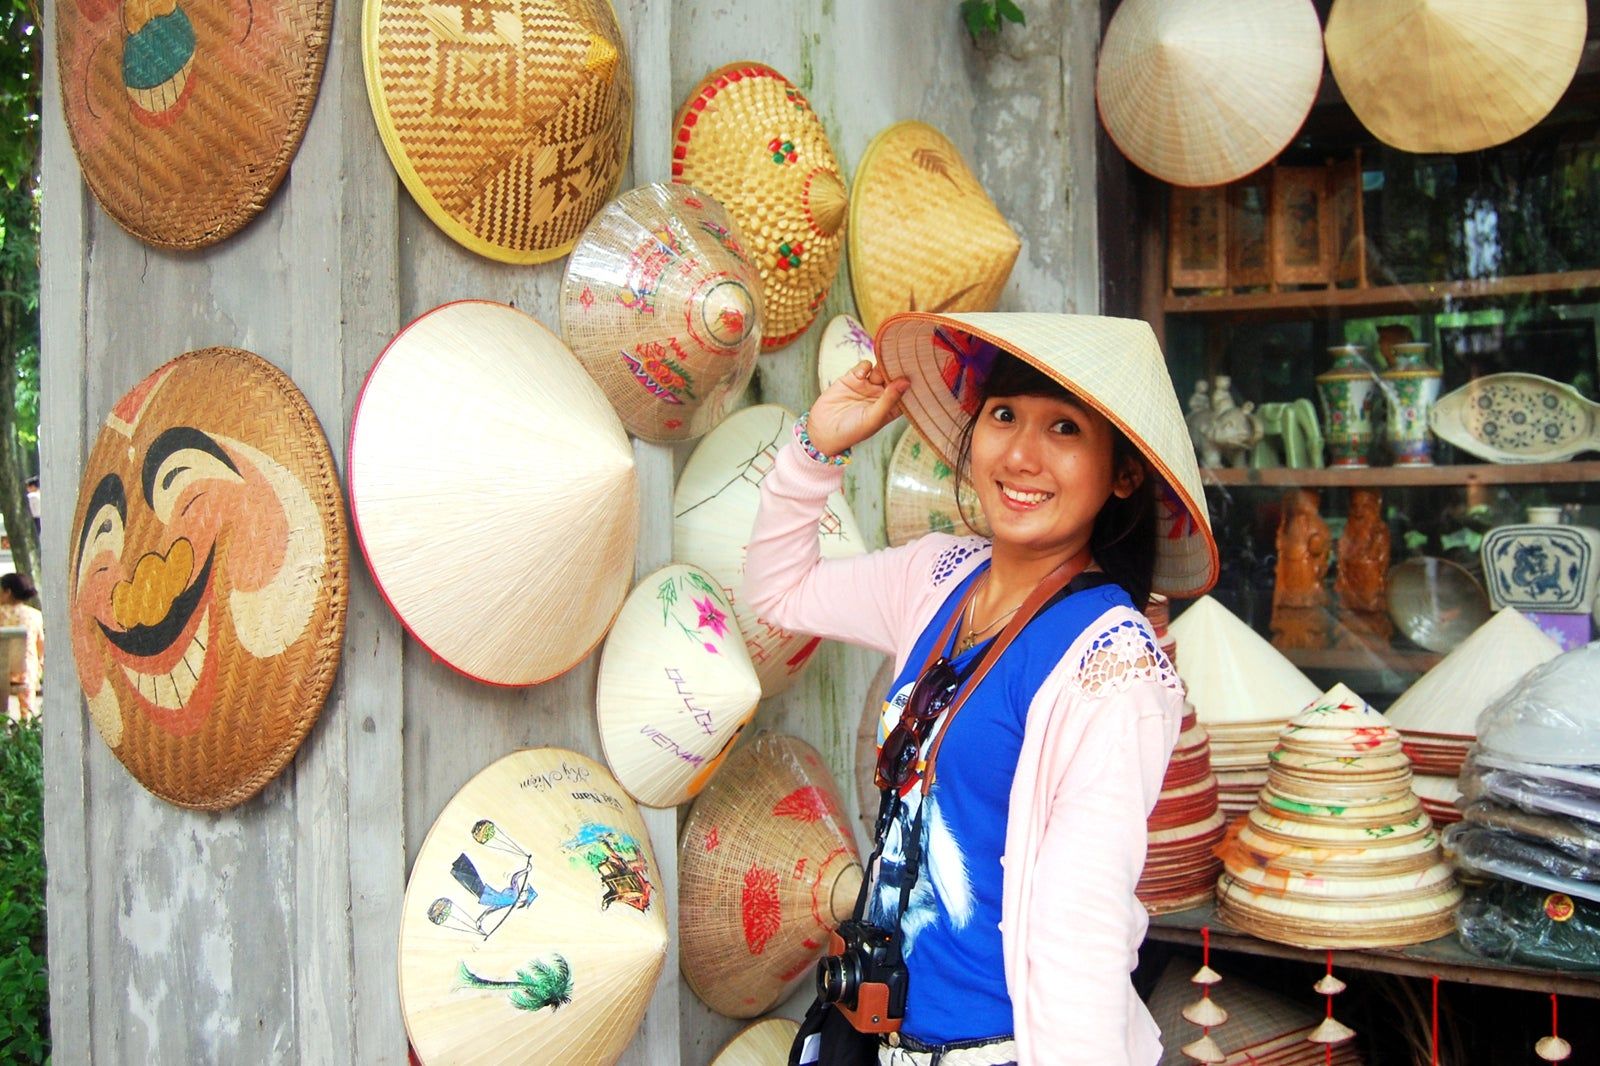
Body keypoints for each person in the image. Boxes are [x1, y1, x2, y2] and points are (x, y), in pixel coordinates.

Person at [746, 313, 1217, 1066]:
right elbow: (780, 591)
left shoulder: (1112, 668)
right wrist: (817, 446)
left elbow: (1084, 926)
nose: (1021, 455)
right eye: (1003, 415)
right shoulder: (937, 578)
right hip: (871, 1035)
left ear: (1122, 475)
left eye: (1064, 428)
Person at [0, 571, 43, 719]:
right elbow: (41, 648)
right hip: (26, 674)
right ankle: (27, 719)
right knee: (31, 661)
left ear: (7, 592)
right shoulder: (35, 615)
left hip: (1, 673)